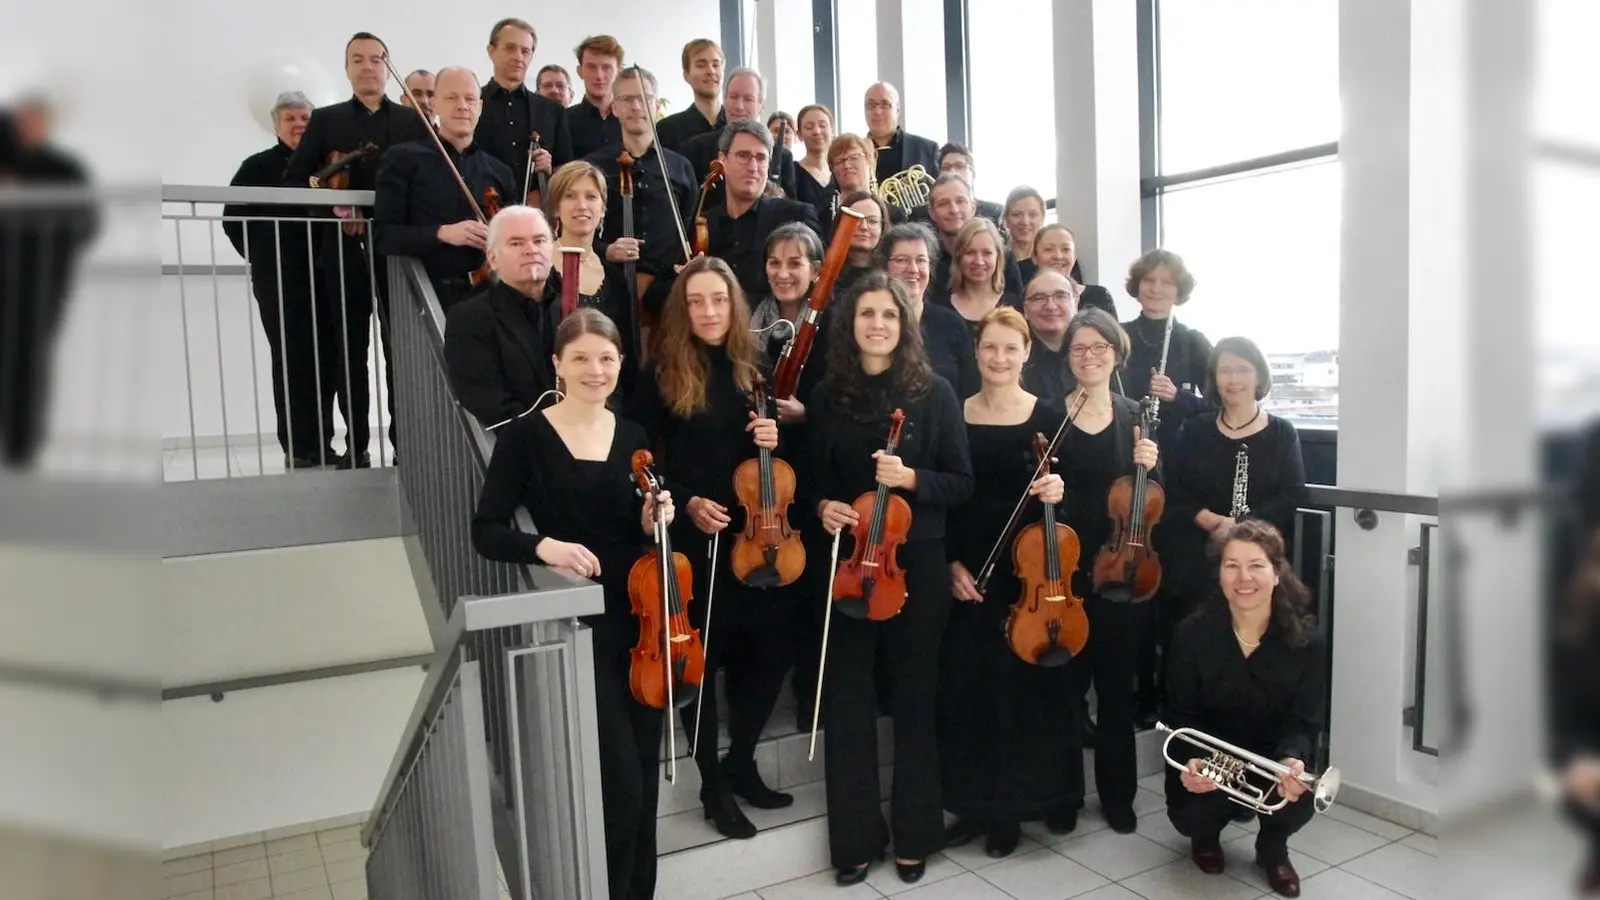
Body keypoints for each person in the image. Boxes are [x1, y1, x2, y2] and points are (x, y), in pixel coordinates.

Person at [471, 308, 672, 900]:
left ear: (620, 365)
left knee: (645, 778)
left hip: (641, 624)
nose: (595, 369)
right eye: (581, 357)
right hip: (577, 627)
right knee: (621, 787)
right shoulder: (525, 436)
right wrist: (546, 546)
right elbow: (485, 530)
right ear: (556, 364)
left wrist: (652, 517)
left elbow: (641, 528)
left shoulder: (633, 435)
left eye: (606, 358)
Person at [806, 272, 974, 886]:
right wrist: (822, 508)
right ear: (850, 326)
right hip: (849, 568)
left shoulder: (935, 393)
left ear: (905, 326)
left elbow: (961, 483)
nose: (877, 324)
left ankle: (914, 833)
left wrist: (911, 482)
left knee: (914, 700)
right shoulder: (826, 397)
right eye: (866, 314)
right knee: (848, 704)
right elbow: (810, 483)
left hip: (917, 566)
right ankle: (853, 839)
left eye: (889, 315)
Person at [627, 256, 801, 841]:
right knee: (702, 664)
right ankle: (711, 785)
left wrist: (776, 435)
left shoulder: (753, 371)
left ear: (735, 306)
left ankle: (742, 760)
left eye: (718, 300)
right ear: (682, 308)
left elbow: (771, 462)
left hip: (761, 539)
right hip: (697, 541)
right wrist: (686, 499)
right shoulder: (659, 374)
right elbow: (639, 460)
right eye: (696, 301)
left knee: (773, 651)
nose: (707, 311)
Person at [941, 307, 1080, 857]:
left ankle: (1027, 804)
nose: (999, 359)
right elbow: (945, 495)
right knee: (971, 691)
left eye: (1010, 349)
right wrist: (950, 563)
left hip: (1030, 576)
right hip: (969, 572)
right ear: (977, 353)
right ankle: (978, 805)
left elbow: (1070, 504)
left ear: (1026, 353)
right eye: (989, 348)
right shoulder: (955, 411)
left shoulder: (1047, 415)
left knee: (1029, 690)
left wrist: (1056, 493)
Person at [284, 31, 431, 468]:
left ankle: (406, 444)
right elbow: (296, 181)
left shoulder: (410, 122)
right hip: (341, 253)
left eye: (377, 59)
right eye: (358, 60)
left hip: (395, 254)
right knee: (349, 352)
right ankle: (358, 447)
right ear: (347, 68)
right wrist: (333, 202)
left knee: (398, 351)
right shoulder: (326, 120)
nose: (368, 67)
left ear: (388, 67)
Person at [1163, 519, 1327, 899]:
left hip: (1271, 755)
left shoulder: (1308, 642)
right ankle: (1205, 836)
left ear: (1276, 574)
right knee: (1191, 813)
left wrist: (1292, 760)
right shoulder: (1191, 634)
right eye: (1231, 565)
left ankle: (1272, 848)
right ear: (1219, 573)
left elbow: (1305, 720)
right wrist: (1193, 762)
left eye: (1256, 565)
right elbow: (1180, 714)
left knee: (1300, 793)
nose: (1243, 578)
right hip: (1211, 757)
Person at [1057, 307, 1161, 834]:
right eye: (1079, 348)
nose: (1090, 356)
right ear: (1067, 357)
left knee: (1117, 691)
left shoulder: (1135, 416)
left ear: (1116, 354)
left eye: (1100, 347)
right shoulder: (1051, 415)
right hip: (1067, 571)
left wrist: (1150, 463)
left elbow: (1154, 501)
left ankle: (1118, 797)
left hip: (1123, 571)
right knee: (1065, 688)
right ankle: (1063, 796)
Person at [223, 91, 325, 468]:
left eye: (304, 118)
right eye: (290, 119)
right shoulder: (256, 166)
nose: (298, 125)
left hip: (324, 276)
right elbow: (233, 221)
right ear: (276, 125)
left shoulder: (323, 163)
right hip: (279, 281)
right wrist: (264, 259)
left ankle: (324, 442)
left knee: (326, 360)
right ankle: (299, 447)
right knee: (291, 360)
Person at [375, 66, 516, 312]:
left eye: (470, 98)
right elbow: (385, 236)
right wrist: (442, 233)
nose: (462, 105)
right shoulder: (402, 159)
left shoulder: (500, 171)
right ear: (435, 104)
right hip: (424, 298)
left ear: (480, 107)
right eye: (451, 98)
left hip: (487, 297)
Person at [582, 66, 697, 332]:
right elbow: (575, 232)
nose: (636, 106)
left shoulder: (680, 167)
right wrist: (606, 250)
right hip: (609, 286)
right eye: (627, 99)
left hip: (669, 291)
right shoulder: (592, 167)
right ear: (614, 108)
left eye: (644, 98)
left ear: (656, 105)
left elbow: (690, 229)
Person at [443, 206, 560, 428]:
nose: (531, 250)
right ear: (493, 258)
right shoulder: (469, 318)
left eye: (540, 240)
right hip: (523, 445)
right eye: (516, 243)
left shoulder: (574, 311)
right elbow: (488, 401)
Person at [701, 119, 821, 303]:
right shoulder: (703, 224)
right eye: (743, 156)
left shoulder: (797, 216)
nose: (753, 167)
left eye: (761, 158)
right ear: (722, 160)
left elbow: (822, 285)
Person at [1119, 248, 1212, 444]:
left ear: (1179, 290)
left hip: (1177, 453)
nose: (1156, 289)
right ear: (1137, 285)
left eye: (1167, 283)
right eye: (1149, 280)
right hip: (1123, 445)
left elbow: (1218, 408)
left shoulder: (1193, 342)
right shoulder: (1117, 336)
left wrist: (1177, 395)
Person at [477, 17, 573, 204]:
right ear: (491, 51)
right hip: (482, 213)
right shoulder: (471, 106)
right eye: (510, 48)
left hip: (537, 215)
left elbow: (566, 173)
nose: (518, 57)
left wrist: (549, 169)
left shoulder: (553, 112)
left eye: (525, 51)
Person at [878, 222, 978, 398]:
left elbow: (969, 392)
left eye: (921, 260)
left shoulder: (951, 323)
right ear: (884, 266)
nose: (913, 269)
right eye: (901, 260)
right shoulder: (871, 325)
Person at [680, 68, 798, 204]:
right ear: (724, 100)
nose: (739, 106)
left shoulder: (783, 156)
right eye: (733, 97)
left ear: (762, 105)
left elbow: (792, 212)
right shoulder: (695, 148)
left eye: (748, 99)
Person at [925, 174, 1023, 299]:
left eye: (960, 201)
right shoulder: (927, 262)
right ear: (931, 212)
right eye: (943, 203)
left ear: (973, 208)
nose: (954, 210)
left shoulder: (1005, 259)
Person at [934, 216, 1021, 340]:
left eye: (987, 253)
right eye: (970, 252)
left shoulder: (1016, 305)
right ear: (958, 256)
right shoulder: (939, 310)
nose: (979, 261)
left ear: (998, 256)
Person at [1018, 269, 1081, 403]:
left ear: (1075, 303)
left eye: (1061, 296)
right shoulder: (1015, 359)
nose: (1051, 306)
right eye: (1039, 298)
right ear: (1025, 310)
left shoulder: (1095, 353)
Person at [655, 38, 725, 153]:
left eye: (716, 65)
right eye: (701, 65)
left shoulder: (737, 126)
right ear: (686, 75)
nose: (711, 71)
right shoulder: (667, 129)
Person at [863, 82, 939, 188]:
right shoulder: (853, 155)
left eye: (885, 104)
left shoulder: (927, 150)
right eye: (870, 105)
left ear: (898, 109)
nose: (877, 111)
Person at [1030, 223, 1114, 316]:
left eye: (1066, 249)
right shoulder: (1025, 299)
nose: (1058, 256)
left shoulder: (1099, 296)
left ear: (1074, 257)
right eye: (1048, 249)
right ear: (1035, 257)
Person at [569, 35, 624, 159]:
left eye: (606, 68)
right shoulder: (565, 121)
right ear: (580, 71)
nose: (599, 75)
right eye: (591, 67)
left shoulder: (629, 119)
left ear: (619, 72)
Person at [834, 190, 887, 295]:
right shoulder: (824, 273)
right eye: (856, 219)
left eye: (872, 221)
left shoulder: (891, 272)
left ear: (882, 228)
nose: (864, 227)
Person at [791, 104, 836, 220]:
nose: (817, 131)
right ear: (799, 135)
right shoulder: (792, 172)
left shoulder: (840, 172)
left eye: (822, 125)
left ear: (832, 131)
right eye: (809, 127)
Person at [1005, 187, 1046, 284]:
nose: (1025, 222)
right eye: (1016, 214)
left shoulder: (1054, 259)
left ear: (1042, 219)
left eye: (1032, 214)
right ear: (1006, 219)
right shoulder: (996, 261)